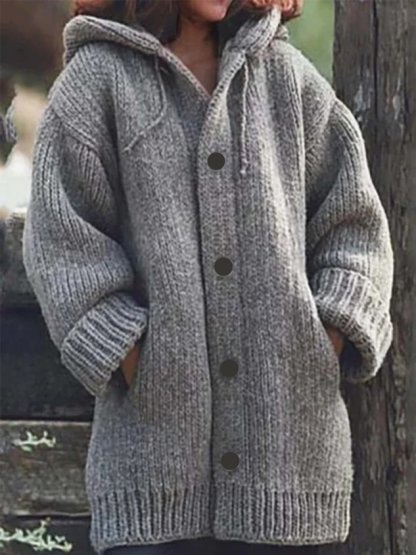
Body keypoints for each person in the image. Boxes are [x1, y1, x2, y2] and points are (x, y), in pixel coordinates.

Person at [22, 0, 395, 554]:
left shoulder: (289, 81)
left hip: (289, 472)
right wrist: (134, 357)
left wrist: (326, 337)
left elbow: (355, 227)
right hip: (153, 477)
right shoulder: (96, 84)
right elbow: (63, 240)